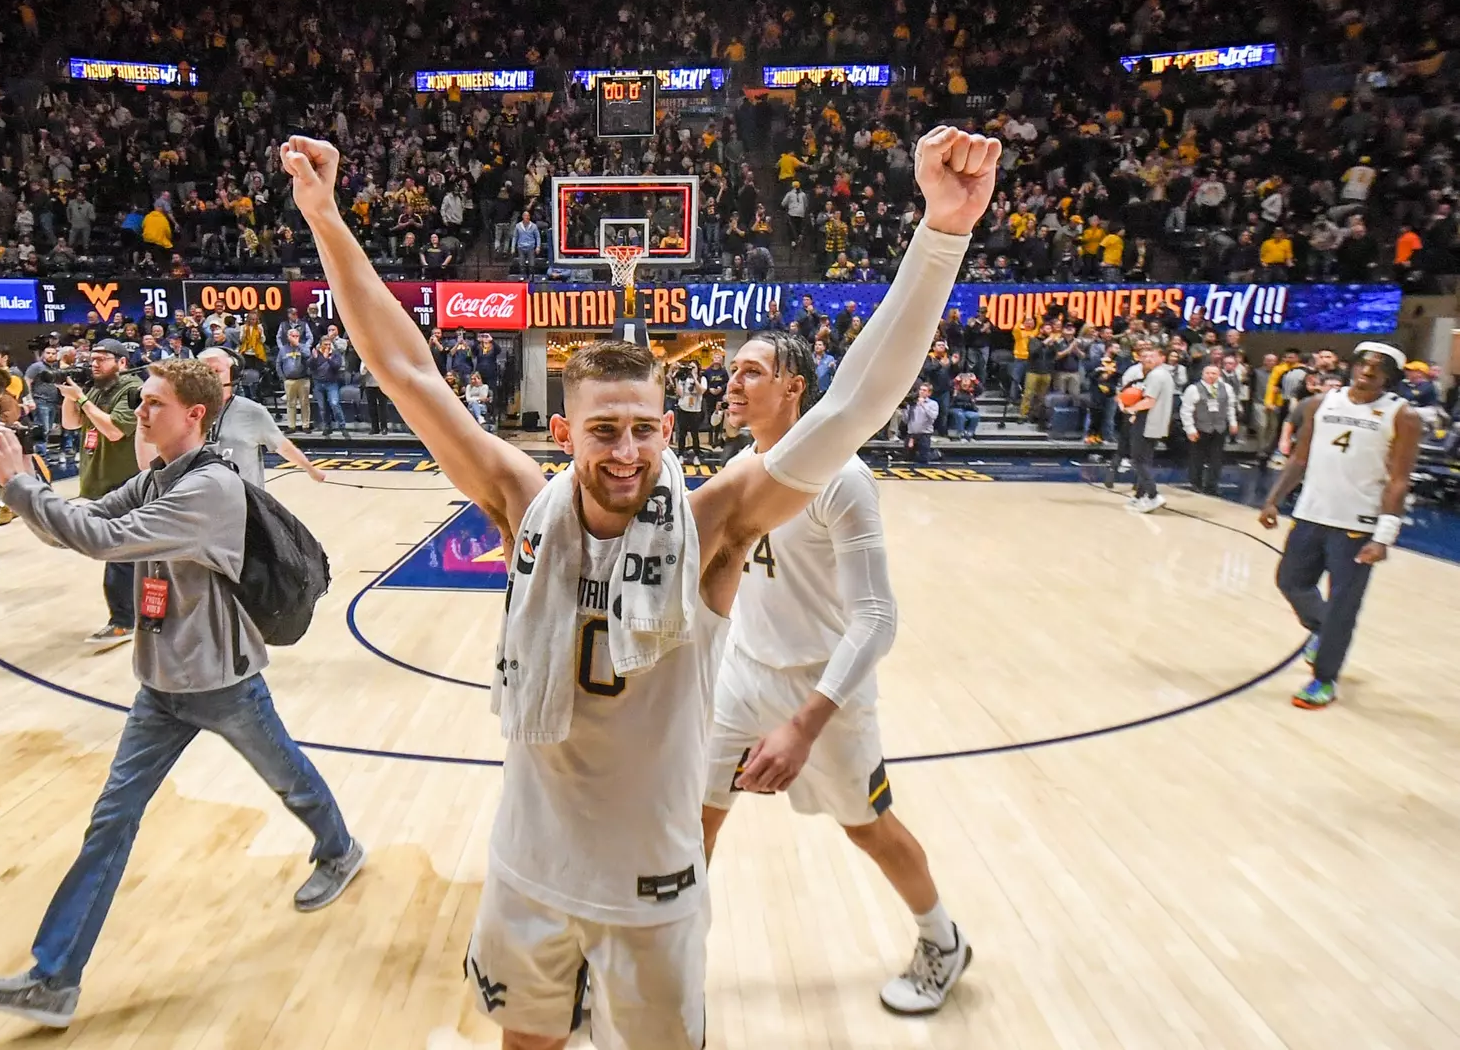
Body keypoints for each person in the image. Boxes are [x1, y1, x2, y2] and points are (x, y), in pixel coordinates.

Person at [280, 125, 997, 1050]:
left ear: (668, 430)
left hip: (654, 880)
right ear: (563, 435)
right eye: (603, 431)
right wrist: (328, 219)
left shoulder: (714, 527)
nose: (625, 453)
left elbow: (856, 404)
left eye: (643, 432)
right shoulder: (518, 504)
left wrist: (942, 234)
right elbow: (405, 367)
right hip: (531, 864)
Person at [0, 360, 364, 1028]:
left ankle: (340, 849)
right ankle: (55, 980)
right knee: (111, 821)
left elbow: (103, 540)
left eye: (153, 403)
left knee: (287, 777)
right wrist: (23, 492)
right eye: (142, 402)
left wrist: (24, 487)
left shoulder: (209, 491)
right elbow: (84, 522)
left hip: (221, 680)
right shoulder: (155, 478)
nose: (140, 412)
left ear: (194, 415)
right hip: (160, 684)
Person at [705, 331, 969, 1014]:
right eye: (733, 371)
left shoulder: (842, 479)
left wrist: (802, 724)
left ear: (794, 386)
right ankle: (659, 959)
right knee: (691, 822)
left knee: (867, 827)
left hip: (825, 690)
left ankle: (942, 940)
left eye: (752, 372)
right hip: (742, 674)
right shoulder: (743, 468)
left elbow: (877, 618)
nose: (733, 382)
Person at [1258, 343, 1420, 710]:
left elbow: (1398, 480)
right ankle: (1321, 629)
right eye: (1363, 365)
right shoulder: (1320, 404)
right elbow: (1300, 458)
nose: (1367, 372)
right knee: (1291, 581)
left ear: (1388, 377)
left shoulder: (1402, 416)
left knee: (1343, 605)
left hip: (1357, 525)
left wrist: (1384, 537)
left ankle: (1324, 679)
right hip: (1311, 515)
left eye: (1377, 369)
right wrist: (1273, 499)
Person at [64, 340, 144, 645]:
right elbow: (70, 424)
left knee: (118, 554)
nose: (94, 363)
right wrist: (69, 396)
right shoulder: (96, 390)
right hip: (99, 481)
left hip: (124, 485)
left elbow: (114, 430)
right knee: (127, 554)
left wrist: (82, 399)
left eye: (102, 359)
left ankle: (123, 621)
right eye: (91, 358)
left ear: (122, 363)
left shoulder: (132, 389)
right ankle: (136, 615)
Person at [196, 349, 328, 488]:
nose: (211, 378)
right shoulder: (186, 411)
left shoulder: (253, 412)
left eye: (217, 371)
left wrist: (310, 469)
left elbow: (283, 446)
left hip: (245, 501)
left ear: (232, 373)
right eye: (205, 373)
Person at [1124, 345, 1175, 513]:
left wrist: (1130, 409)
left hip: (1148, 421)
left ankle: (1153, 495)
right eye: (1146, 357)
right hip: (1158, 422)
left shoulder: (1156, 375)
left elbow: (1149, 401)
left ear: (1162, 358)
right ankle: (1139, 496)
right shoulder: (1166, 375)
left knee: (1138, 460)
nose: (1147, 359)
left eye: (1152, 356)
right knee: (1145, 460)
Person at [1180, 364, 1239, 495]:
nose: (1211, 376)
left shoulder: (1227, 388)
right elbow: (1186, 410)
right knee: (1197, 457)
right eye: (1208, 373)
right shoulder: (1193, 389)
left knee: (1216, 459)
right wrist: (1189, 429)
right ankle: (1196, 483)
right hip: (1200, 427)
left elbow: (1230, 407)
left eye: (1214, 373)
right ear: (1203, 374)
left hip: (1219, 428)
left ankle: (1212, 485)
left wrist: (1233, 422)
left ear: (1219, 375)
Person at [277, 327, 313, 432]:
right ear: (288, 337)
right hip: (289, 380)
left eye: (297, 336)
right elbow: (278, 364)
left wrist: (298, 345)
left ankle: (305, 425)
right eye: (293, 336)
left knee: (304, 404)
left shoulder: (304, 347)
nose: (295, 338)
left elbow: (308, 355)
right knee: (290, 404)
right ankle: (291, 426)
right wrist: (283, 378)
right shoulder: (283, 349)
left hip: (303, 379)